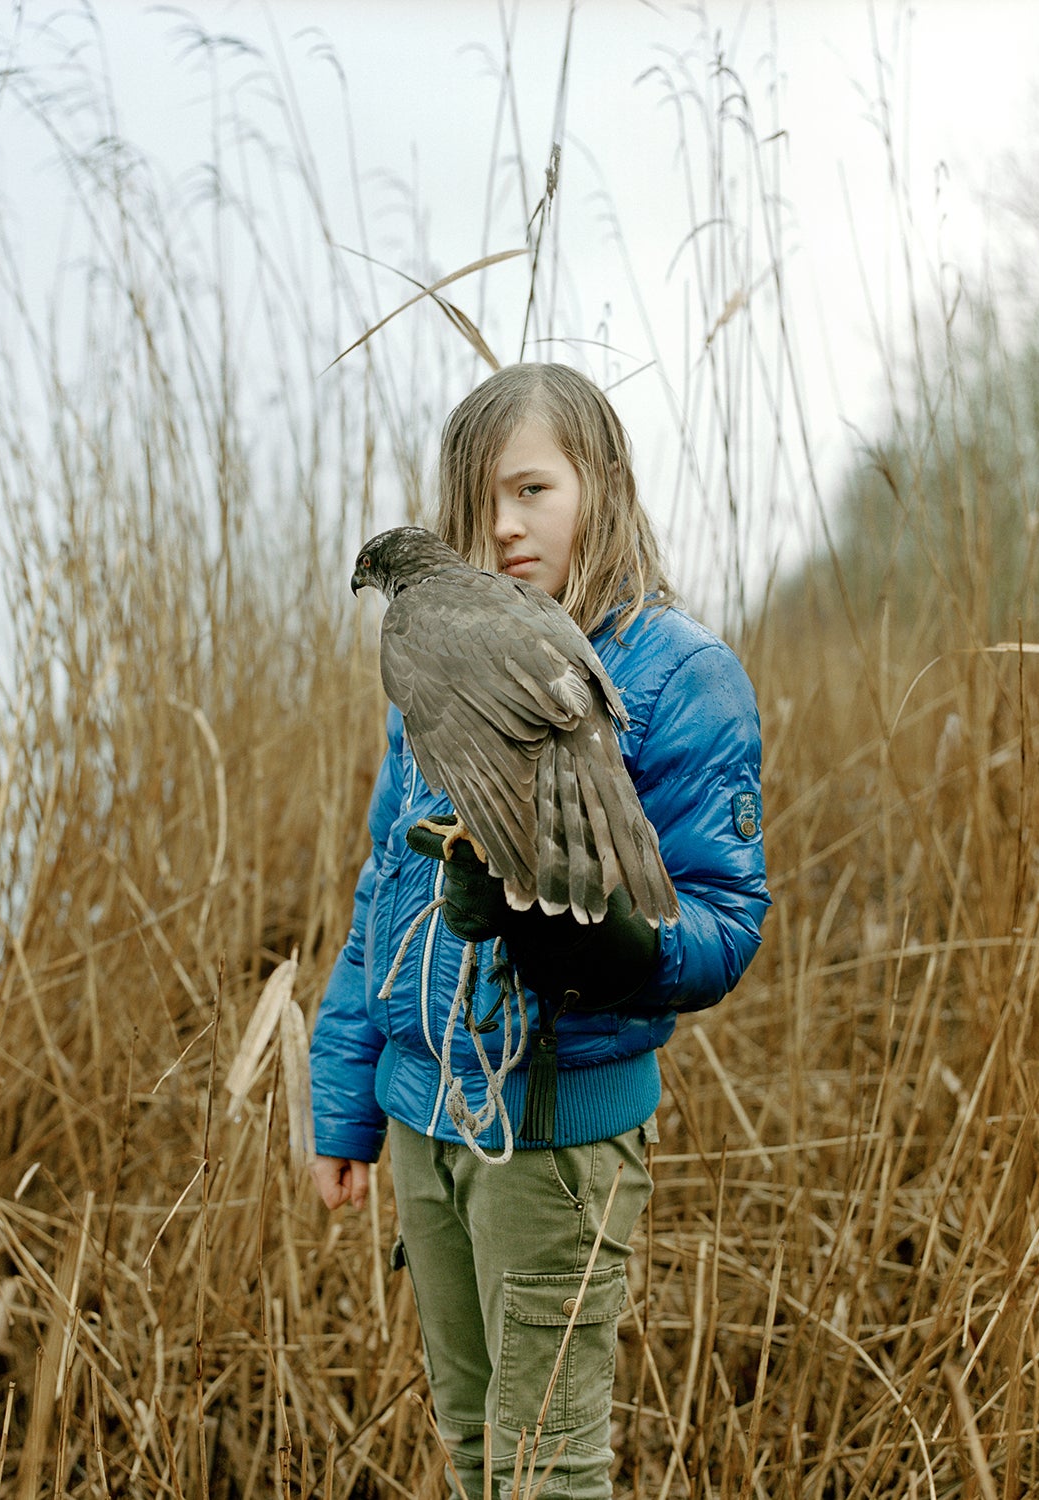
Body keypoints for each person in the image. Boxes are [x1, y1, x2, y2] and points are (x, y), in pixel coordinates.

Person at [309, 362, 770, 1499]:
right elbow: (382, 901)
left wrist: (601, 947)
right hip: (426, 1125)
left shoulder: (681, 673)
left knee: (546, 1472)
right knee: (475, 1455)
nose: (505, 527)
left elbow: (723, 919)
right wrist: (346, 1101)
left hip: (553, 1138)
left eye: (532, 491)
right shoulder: (435, 651)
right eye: (482, 504)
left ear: (601, 484)